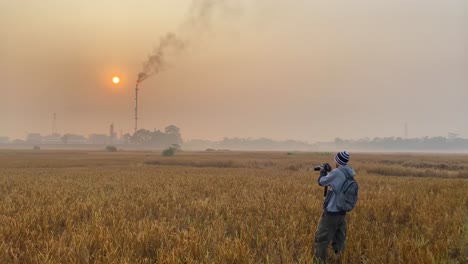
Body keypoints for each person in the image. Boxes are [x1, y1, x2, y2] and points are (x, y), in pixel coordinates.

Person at [314, 151, 356, 263]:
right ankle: (340, 260)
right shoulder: (349, 172)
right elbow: (337, 181)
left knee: (321, 239)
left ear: (337, 161)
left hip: (331, 214)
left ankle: (319, 261)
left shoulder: (336, 173)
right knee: (339, 241)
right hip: (342, 214)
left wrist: (323, 172)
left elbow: (321, 182)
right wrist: (330, 172)